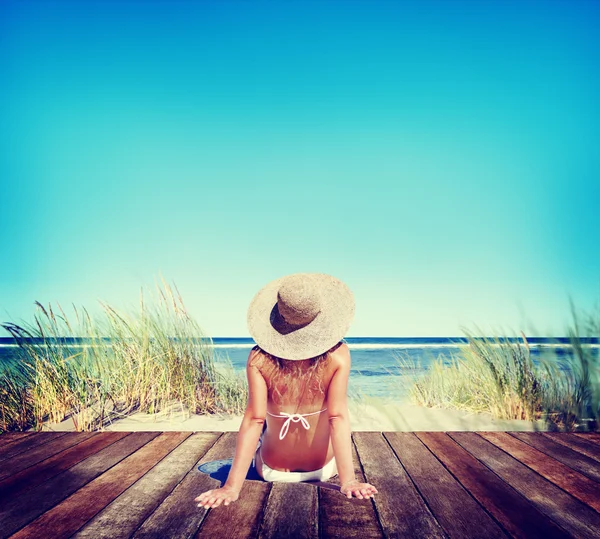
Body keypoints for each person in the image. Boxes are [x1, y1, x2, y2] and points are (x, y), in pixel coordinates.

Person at [195, 273, 378, 509]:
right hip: (323, 470)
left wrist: (231, 487)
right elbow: (337, 417)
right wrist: (349, 481)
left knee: (262, 437)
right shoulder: (339, 355)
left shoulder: (259, 359)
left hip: (271, 471)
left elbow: (254, 420)